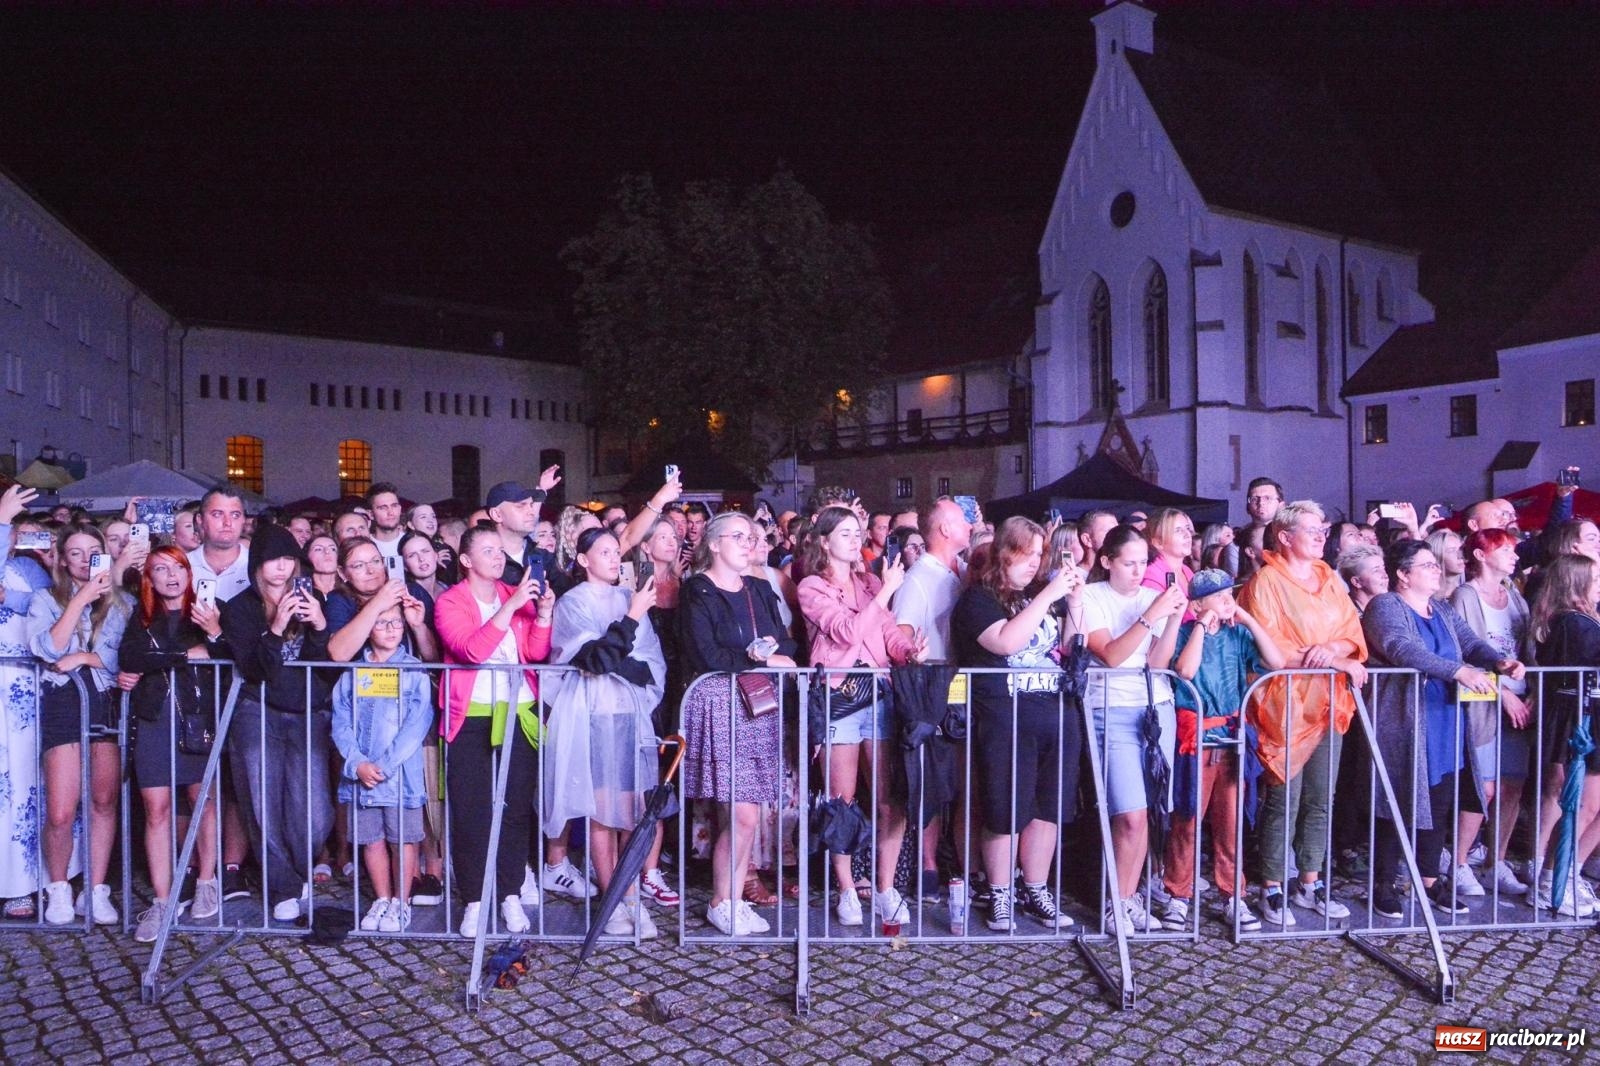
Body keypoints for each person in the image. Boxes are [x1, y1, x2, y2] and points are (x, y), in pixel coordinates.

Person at [1363, 540, 1524, 917]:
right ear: (1402, 574)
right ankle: (1383, 882)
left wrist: (1499, 662)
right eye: (1426, 565)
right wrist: (1458, 671)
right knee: (1396, 798)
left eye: (1435, 564)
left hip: (1445, 717)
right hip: (1404, 717)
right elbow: (1401, 648)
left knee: (1439, 798)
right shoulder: (1386, 606)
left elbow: (1470, 643)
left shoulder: (1442, 608)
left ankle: (1429, 879)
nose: (1436, 569)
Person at [951, 516, 1085, 932]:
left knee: (1048, 806)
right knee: (1004, 806)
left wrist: (1075, 602)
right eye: (1026, 554)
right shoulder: (978, 600)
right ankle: (999, 892)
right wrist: (1048, 595)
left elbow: (1070, 647)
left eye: (1039, 555)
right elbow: (1006, 641)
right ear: (1004, 553)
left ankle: (1036, 888)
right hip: (1004, 717)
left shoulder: (1038, 596)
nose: (1034, 563)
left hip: (1054, 712)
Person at [1238, 500, 1368, 927]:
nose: (1320, 537)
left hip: (1329, 702)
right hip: (1285, 703)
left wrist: (1332, 650)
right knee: (1284, 798)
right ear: (1285, 536)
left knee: (1321, 797)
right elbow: (1270, 647)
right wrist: (1334, 660)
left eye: (1323, 530)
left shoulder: (1328, 577)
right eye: (1311, 530)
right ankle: (1272, 884)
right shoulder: (1265, 582)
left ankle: (1310, 880)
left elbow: (1351, 633)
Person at [799, 506, 926, 929]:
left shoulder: (870, 583)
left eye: (858, 533)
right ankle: (847, 888)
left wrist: (909, 651)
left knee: (891, 797)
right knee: (842, 800)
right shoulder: (812, 587)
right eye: (846, 534)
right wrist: (887, 591)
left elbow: (886, 632)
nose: (856, 541)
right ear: (824, 542)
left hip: (879, 694)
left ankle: (885, 887)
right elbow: (846, 633)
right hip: (839, 696)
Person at [434, 524, 558, 938]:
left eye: (499, 550)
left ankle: (509, 892)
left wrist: (543, 615)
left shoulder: (512, 594)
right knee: (472, 810)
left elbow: (535, 652)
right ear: (466, 560)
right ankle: (474, 898)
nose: (497, 557)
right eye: (487, 551)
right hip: (471, 716)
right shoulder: (450, 601)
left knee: (514, 808)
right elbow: (471, 651)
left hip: (517, 711)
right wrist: (513, 606)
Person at [678, 510, 798, 936]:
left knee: (747, 811)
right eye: (739, 536)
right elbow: (706, 654)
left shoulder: (759, 588)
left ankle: (730, 897)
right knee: (741, 811)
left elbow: (787, 642)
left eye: (751, 537)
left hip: (758, 703)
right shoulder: (698, 591)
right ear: (714, 544)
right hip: (720, 703)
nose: (749, 544)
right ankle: (721, 900)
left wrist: (765, 653)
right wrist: (761, 657)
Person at [545, 528, 668, 939]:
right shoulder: (573, 603)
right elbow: (594, 659)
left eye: (618, 552)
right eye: (605, 552)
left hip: (628, 711)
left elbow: (647, 662)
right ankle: (614, 898)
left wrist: (617, 652)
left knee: (631, 808)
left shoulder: (627, 597)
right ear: (583, 559)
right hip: (593, 712)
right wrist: (627, 626)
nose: (615, 559)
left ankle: (630, 894)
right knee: (602, 810)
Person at [220, 523, 333, 922]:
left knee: (315, 811)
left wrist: (319, 625)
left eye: (289, 559)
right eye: (273, 560)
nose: (282, 568)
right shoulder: (239, 607)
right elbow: (253, 669)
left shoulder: (313, 596)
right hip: (257, 710)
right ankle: (281, 885)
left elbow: (324, 664)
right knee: (262, 803)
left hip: (306, 710)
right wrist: (276, 628)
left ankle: (298, 870)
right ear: (257, 564)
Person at [1163, 568, 1286, 932]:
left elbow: (1276, 662)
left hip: (1230, 737)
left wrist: (1247, 618)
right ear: (1198, 604)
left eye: (1228, 594)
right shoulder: (1184, 633)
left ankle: (1233, 893)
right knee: (1187, 818)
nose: (1226, 601)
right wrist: (1201, 624)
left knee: (1230, 822)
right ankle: (1178, 893)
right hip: (1195, 737)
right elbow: (1185, 670)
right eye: (1217, 596)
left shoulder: (1237, 635)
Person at [1080, 524, 1186, 931]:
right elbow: (1111, 655)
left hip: (1155, 708)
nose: (1138, 572)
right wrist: (1150, 615)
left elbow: (1158, 663)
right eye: (1129, 563)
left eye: (1143, 563)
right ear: (1107, 561)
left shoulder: (1150, 598)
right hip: (1112, 708)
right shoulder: (1091, 596)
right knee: (1129, 814)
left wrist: (1173, 619)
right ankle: (1116, 903)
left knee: (1147, 812)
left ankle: (1129, 897)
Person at [120, 546, 226, 939]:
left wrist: (213, 633)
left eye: (178, 567)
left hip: (197, 717)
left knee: (203, 801)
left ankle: (207, 881)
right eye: (161, 569)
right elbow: (131, 657)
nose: (171, 576)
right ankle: (162, 900)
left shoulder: (209, 610)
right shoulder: (141, 615)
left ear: (188, 572)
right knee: (156, 809)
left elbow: (229, 654)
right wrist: (182, 654)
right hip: (154, 720)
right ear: (149, 577)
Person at [28, 525, 132, 925]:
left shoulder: (123, 603)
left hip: (106, 702)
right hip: (62, 703)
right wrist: (79, 601)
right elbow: (48, 649)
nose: (86, 560)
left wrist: (85, 658)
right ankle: (58, 888)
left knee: (104, 800)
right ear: (63, 560)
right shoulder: (44, 599)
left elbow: (125, 658)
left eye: (93, 551)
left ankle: (96, 888)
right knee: (60, 808)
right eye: (75, 552)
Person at [331, 603, 433, 934]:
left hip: (400, 775)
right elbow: (341, 721)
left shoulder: (414, 671)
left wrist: (385, 765)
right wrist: (356, 762)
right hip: (362, 777)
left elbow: (417, 724)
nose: (390, 629)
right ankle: (382, 898)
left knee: (402, 838)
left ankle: (401, 901)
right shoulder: (353, 672)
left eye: (396, 623)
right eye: (381, 623)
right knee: (371, 839)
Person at [893, 496, 974, 898]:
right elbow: (902, 632)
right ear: (944, 529)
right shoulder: (919, 578)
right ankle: (926, 865)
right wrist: (915, 655)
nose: (970, 525)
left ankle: (953, 860)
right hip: (931, 682)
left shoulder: (959, 572)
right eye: (962, 520)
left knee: (956, 774)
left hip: (959, 680)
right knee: (930, 775)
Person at [1449, 528, 1535, 898]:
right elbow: (1464, 652)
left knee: (1512, 784)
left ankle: (1494, 862)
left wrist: (1532, 692)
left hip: (1520, 698)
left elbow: (1527, 648)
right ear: (1481, 555)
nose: (1514, 557)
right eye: (1505, 550)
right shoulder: (1465, 595)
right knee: (1482, 786)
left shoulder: (1514, 594)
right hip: (1483, 700)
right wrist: (1504, 694)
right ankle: (1459, 862)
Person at [1527, 553, 1600, 916]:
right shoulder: (1573, 623)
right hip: (1579, 719)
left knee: (1589, 804)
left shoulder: (1581, 621)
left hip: (1586, 715)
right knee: (1580, 803)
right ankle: (1552, 878)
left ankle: (1569, 872)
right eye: (1595, 579)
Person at [0, 485, 49, 918]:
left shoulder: (28, 568)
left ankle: (23, 883)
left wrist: (9, 597)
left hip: (21, 692)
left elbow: (44, 604)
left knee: (22, 784)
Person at [324, 537, 439, 664]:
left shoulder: (411, 591)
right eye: (359, 566)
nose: (370, 570)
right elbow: (338, 655)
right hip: (361, 676)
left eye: (376, 561)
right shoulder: (339, 599)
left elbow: (434, 658)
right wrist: (378, 603)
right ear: (342, 573)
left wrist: (418, 626)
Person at [1141, 508, 1196, 610]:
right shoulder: (1151, 576)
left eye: (1187, 528)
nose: (1187, 534)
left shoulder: (1187, 570)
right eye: (1178, 530)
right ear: (1158, 542)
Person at [1337, 543, 1389, 617]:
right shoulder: (1345, 616)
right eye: (1376, 571)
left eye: (1383, 568)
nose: (1385, 575)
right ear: (1357, 582)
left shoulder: (1389, 608)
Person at [365, 483, 406, 571]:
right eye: (383, 508)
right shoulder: (364, 546)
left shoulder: (412, 542)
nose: (390, 512)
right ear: (371, 514)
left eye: (394, 506)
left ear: (400, 509)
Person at [1427, 528, 1467, 601]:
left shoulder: (1468, 591)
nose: (1460, 556)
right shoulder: (1426, 598)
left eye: (1461, 549)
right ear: (1436, 557)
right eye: (1452, 551)